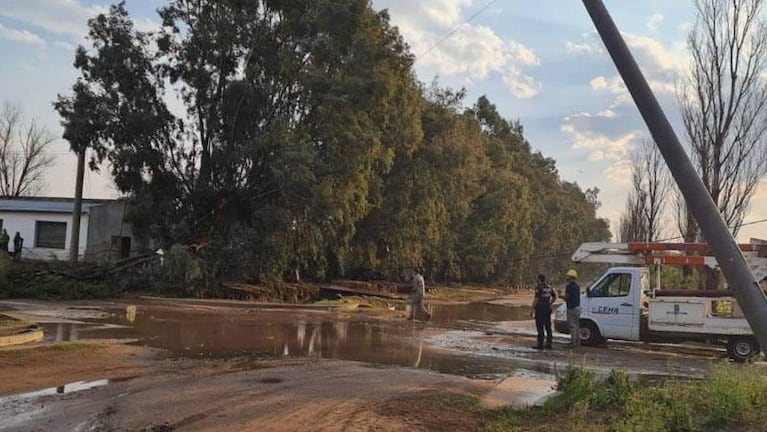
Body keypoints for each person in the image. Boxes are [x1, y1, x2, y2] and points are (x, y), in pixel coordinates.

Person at [532, 274, 556, 350]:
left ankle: (540, 344)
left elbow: (536, 299)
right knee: (548, 327)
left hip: (540, 310)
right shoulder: (549, 287)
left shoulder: (539, 288)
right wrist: (550, 303)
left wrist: (532, 309)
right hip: (547, 310)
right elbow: (555, 297)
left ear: (539, 280)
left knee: (540, 327)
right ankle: (549, 344)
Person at [562, 269, 581, 348]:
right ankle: (577, 342)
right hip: (577, 307)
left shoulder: (569, 286)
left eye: (568, 276)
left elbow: (567, 298)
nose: (566, 277)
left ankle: (573, 343)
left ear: (571, 277)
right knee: (576, 326)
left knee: (572, 326)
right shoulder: (577, 286)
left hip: (571, 308)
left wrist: (560, 295)